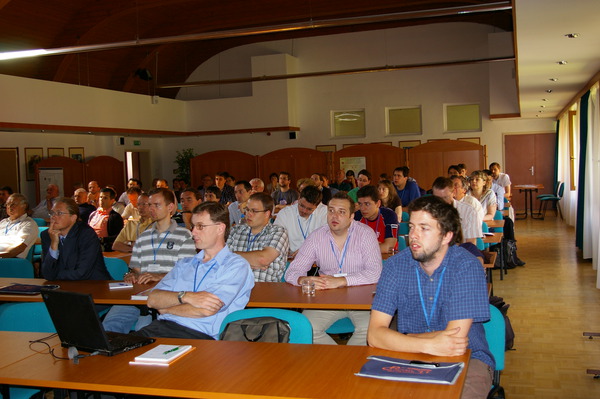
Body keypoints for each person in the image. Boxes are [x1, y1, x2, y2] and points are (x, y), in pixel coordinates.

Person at [367, 195, 493, 399]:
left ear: (446, 236)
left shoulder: (467, 267)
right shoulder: (394, 266)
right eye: (412, 226)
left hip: (466, 358)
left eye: (424, 228)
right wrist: (425, 343)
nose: (413, 235)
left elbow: (453, 342)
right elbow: (373, 335)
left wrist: (401, 339)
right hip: (408, 355)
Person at [136, 201, 255, 339]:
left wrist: (167, 309)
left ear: (220, 228)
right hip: (160, 327)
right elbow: (153, 299)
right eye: (193, 226)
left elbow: (206, 310)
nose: (193, 232)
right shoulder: (185, 264)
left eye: (200, 226)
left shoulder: (236, 266)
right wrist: (186, 297)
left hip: (199, 336)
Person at [285, 192, 382, 345]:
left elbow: (375, 272)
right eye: (331, 210)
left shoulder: (365, 234)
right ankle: (337, 364)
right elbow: (292, 271)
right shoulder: (317, 236)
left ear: (351, 216)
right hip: (327, 297)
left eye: (341, 212)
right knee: (305, 328)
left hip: (361, 297)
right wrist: (302, 279)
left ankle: (347, 365)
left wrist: (342, 281)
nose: (334, 216)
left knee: (369, 329)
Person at [102, 188, 197, 334]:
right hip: (138, 294)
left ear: (170, 207)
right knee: (109, 325)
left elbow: (186, 272)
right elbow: (136, 268)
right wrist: (131, 274)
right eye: (149, 205)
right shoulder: (143, 237)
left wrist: (159, 276)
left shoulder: (184, 236)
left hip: (165, 295)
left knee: (143, 329)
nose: (151, 209)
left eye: (156, 205)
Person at [40, 197, 111, 280]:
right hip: (63, 286)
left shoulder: (86, 234)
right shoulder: (47, 235)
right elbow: (46, 272)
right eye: (52, 213)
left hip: (93, 285)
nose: (53, 217)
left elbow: (81, 273)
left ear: (73, 218)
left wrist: (53, 275)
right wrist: (54, 245)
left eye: (59, 213)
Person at [226, 192, 289, 282]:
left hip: (264, 290)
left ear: (267, 214)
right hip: (234, 286)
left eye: (254, 211)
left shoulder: (278, 232)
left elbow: (263, 259)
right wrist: (253, 261)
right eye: (247, 209)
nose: (248, 214)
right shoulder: (235, 231)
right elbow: (222, 260)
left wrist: (232, 256)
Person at [274, 185, 328, 257]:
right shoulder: (285, 213)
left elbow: (330, 239)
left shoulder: (326, 212)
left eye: (309, 209)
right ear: (298, 199)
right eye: (301, 205)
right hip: (293, 258)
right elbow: (276, 239)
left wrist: (309, 250)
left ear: (318, 206)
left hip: (319, 258)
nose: (304, 211)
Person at [431, 177, 481, 245]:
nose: (441, 202)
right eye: (437, 198)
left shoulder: (469, 212)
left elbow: (470, 245)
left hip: (461, 251)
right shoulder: (427, 213)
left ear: (453, 193)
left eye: (445, 197)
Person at [354, 185, 399, 254]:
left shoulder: (389, 215)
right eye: (360, 204)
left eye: (367, 204)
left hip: (386, 259)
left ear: (378, 204)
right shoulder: (356, 217)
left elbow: (388, 247)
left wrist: (362, 247)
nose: (362, 208)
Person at [0, 193, 38, 258]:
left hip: (11, 260)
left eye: (13, 204)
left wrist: (2, 256)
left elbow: (19, 248)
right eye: (8, 204)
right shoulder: (3, 222)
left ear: (24, 206)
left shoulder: (29, 224)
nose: (10, 207)